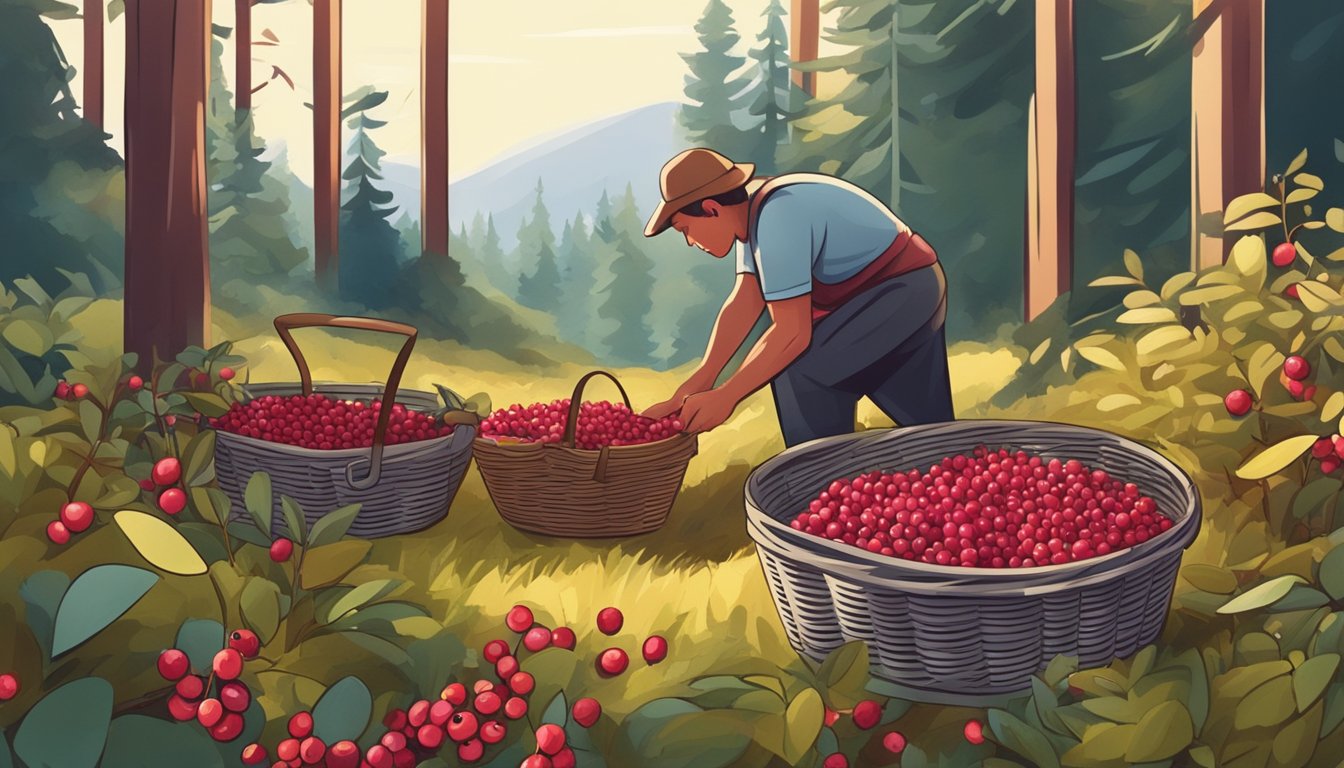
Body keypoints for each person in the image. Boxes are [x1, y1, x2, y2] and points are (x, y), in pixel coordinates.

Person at [641, 147, 954, 448]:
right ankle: (952, 462)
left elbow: (792, 333)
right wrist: (695, 384)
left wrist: (726, 396)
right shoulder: (751, 216)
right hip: (913, 288)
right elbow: (745, 302)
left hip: (900, 293)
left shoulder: (777, 215)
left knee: (799, 371)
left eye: (685, 229)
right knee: (930, 428)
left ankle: (821, 480)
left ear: (711, 209)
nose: (690, 242)